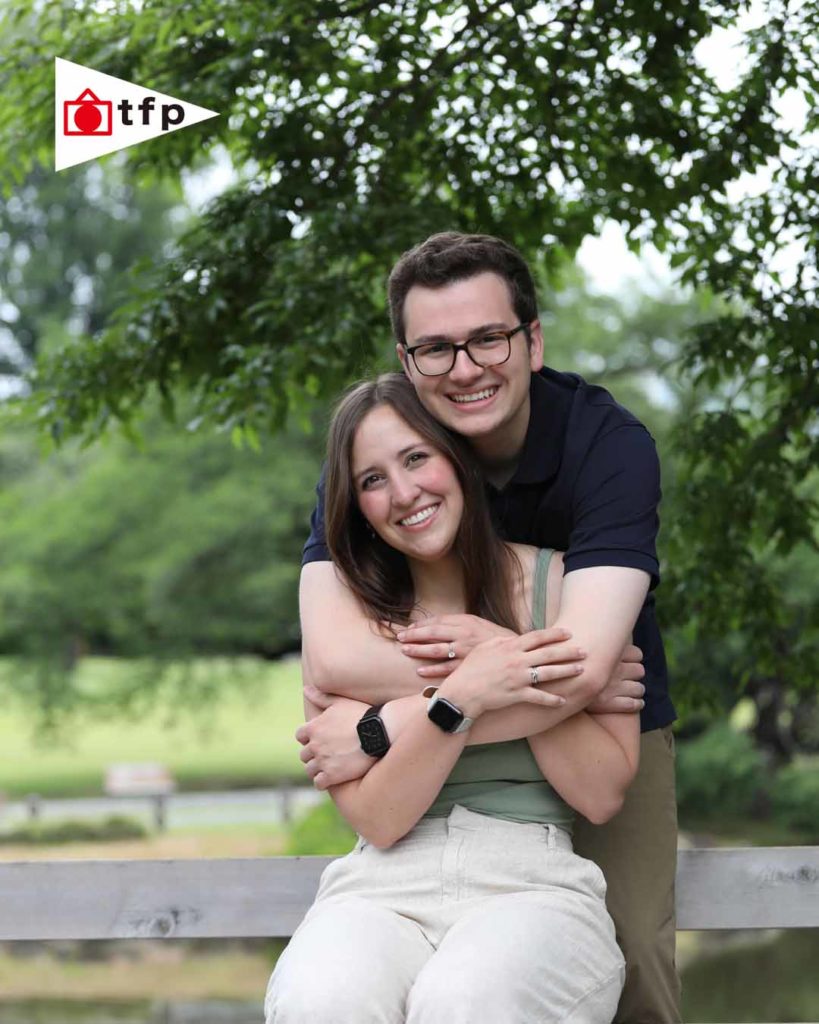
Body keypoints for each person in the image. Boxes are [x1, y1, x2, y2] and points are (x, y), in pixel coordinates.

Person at [298, 233, 680, 1023]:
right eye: (436, 349)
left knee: (633, 945)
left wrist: (379, 728)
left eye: (487, 339)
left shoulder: (606, 448)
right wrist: (484, 680)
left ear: (531, 340)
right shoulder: (375, 453)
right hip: (461, 780)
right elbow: (334, 656)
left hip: (604, 716)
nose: (465, 368)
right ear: (406, 364)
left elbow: (586, 663)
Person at [266, 373, 641, 1023]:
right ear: (355, 506)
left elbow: (602, 793)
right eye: (371, 479)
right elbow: (379, 821)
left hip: (532, 883)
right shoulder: (348, 624)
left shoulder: (564, 586)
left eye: (416, 458)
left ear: (458, 460)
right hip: (380, 888)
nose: (403, 492)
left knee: (465, 1004)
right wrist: (465, 694)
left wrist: (496, 653)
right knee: (319, 1002)